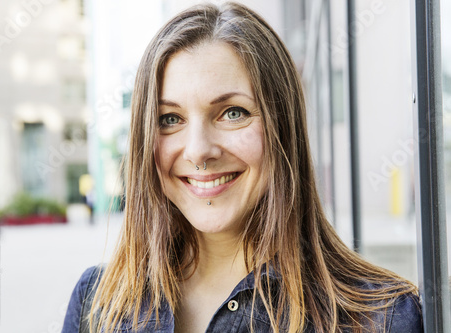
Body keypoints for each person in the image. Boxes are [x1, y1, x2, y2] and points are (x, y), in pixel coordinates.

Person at [62, 2, 423, 332]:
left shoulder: (382, 316)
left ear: (283, 126)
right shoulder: (96, 305)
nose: (199, 151)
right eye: (170, 118)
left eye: (233, 113)